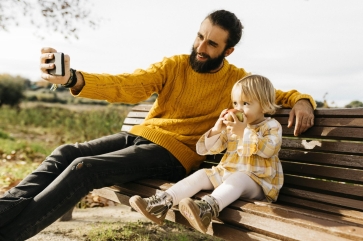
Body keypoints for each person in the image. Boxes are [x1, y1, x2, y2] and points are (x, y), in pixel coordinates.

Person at [0, 9, 316, 240]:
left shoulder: (236, 81)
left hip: (173, 156)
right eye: (200, 37)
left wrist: (302, 99)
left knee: (85, 168)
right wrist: (73, 78)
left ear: (228, 51)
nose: (201, 48)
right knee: (66, 152)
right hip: (140, 137)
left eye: (212, 45)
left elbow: (277, 95)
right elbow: (127, 84)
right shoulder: (174, 65)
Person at [129, 74, 283, 233]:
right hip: (227, 173)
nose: (237, 109)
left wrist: (243, 132)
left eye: (245, 103)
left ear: (264, 106)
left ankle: (206, 210)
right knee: (203, 174)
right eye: (235, 103)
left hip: (258, 182)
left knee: (240, 177)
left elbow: (269, 150)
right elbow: (210, 149)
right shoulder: (233, 126)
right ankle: (161, 203)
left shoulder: (271, 126)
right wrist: (218, 130)